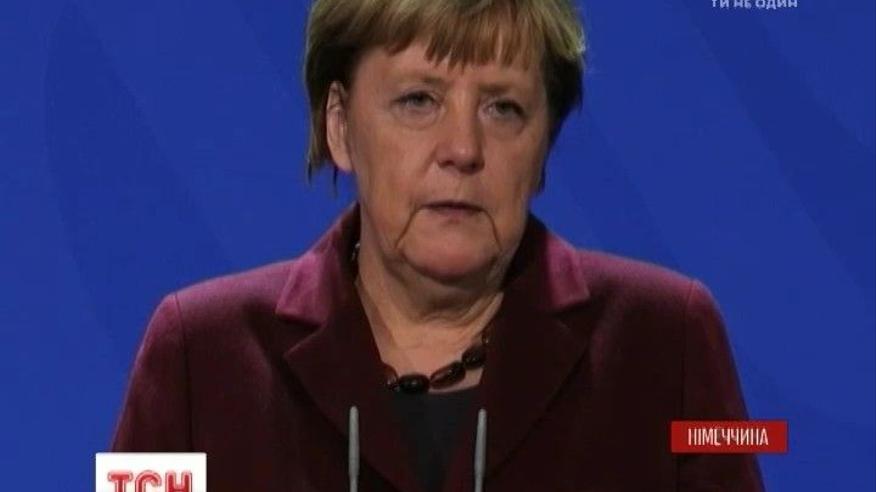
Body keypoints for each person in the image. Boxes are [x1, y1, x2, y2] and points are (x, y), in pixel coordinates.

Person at [111, 0, 765, 491]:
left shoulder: (667, 342)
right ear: (340, 126)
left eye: (503, 108)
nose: (462, 149)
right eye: (418, 100)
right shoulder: (198, 357)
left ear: (544, 145)